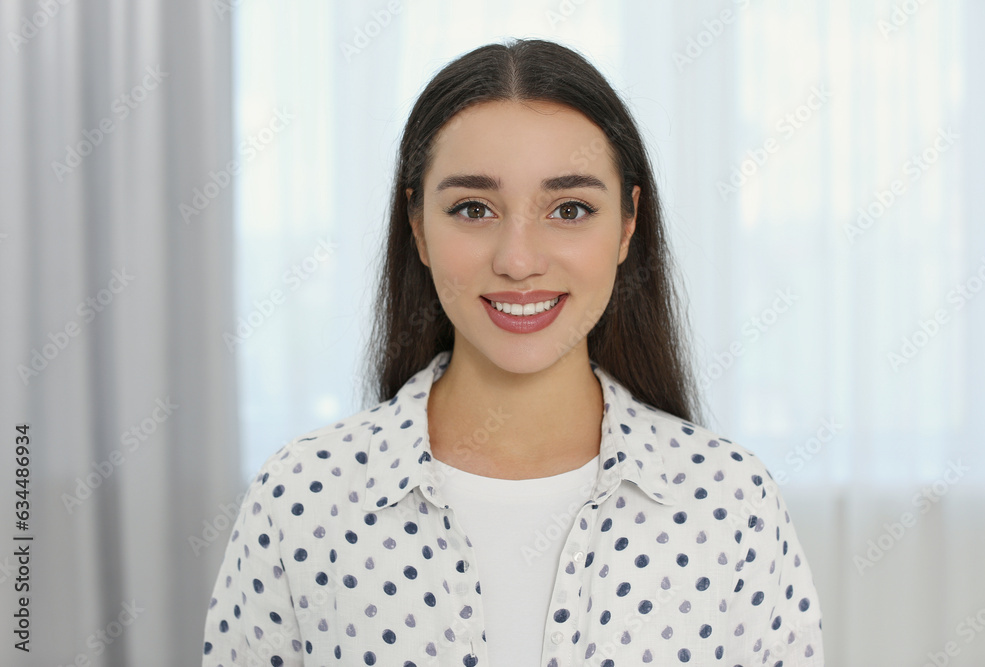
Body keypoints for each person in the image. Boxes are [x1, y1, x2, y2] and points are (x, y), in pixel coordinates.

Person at [201, 38, 824, 666]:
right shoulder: (302, 497)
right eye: (473, 209)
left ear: (628, 225)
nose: (518, 260)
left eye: (570, 209)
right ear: (417, 225)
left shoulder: (729, 501)